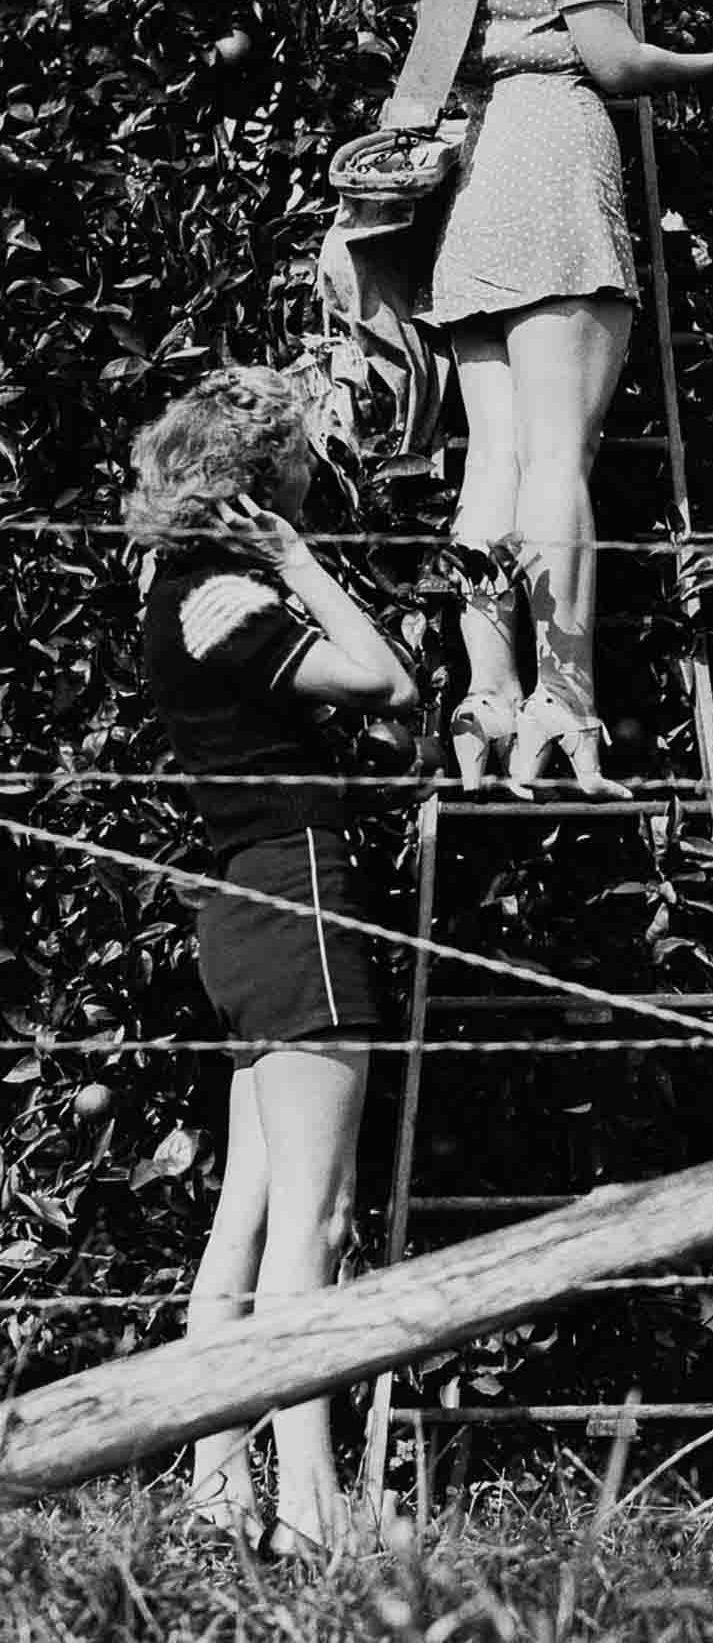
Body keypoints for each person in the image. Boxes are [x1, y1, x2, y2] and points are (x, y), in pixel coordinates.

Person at [361, 0, 713, 798]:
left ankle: (485, 690)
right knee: (557, 456)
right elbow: (615, 62)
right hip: (550, 159)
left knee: (490, 457)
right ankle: (562, 694)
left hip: (467, 184)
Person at [128, 366, 417, 1557]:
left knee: (244, 1217)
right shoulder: (229, 603)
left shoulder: (170, 591)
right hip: (295, 890)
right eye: (296, 455)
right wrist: (301, 561)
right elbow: (386, 677)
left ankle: (215, 1485)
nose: (315, 465)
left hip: (243, 902)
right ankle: (311, 1513)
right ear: (258, 486)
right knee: (320, 1216)